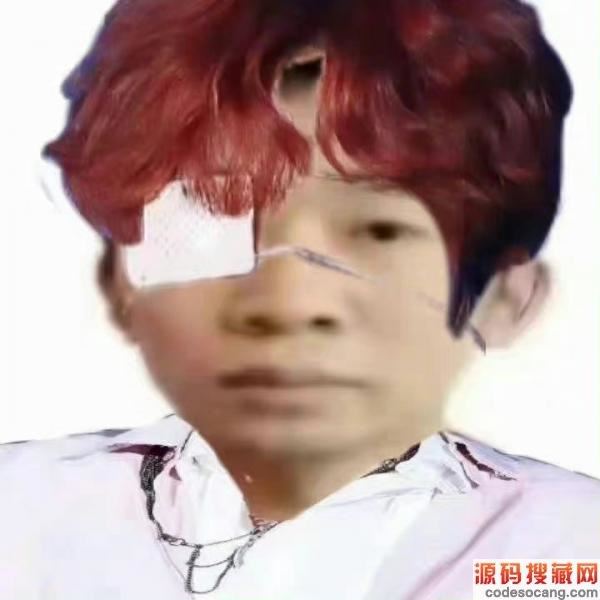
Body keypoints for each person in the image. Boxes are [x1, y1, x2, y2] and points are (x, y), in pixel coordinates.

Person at [2, 0, 599, 598]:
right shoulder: (23, 511)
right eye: (215, 218)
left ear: (505, 297)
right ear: (124, 281)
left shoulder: (566, 549)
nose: (289, 298)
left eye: (377, 230)